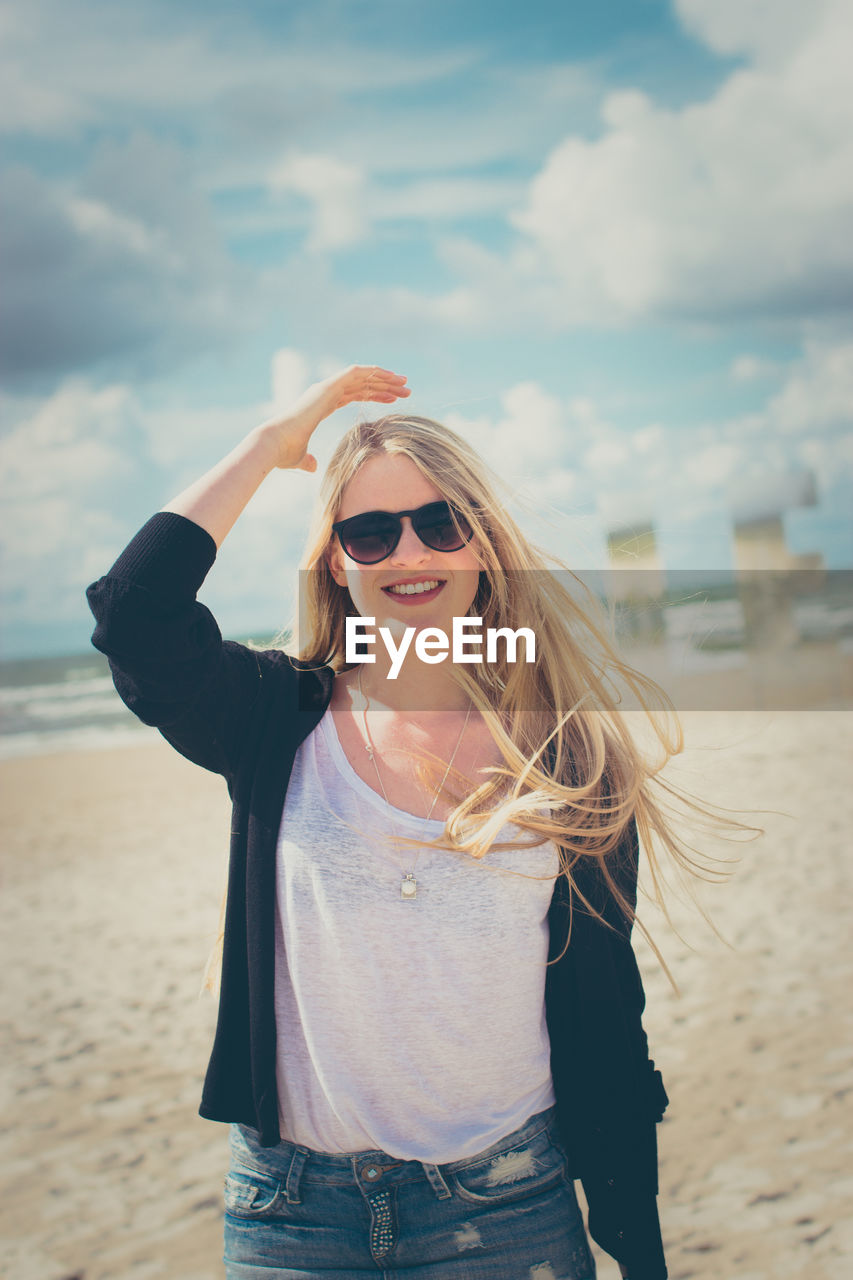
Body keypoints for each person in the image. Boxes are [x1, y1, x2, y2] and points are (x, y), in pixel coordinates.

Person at [87, 364, 693, 1280]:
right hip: (291, 1215)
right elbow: (134, 614)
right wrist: (268, 445)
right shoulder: (269, 717)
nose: (409, 553)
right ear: (334, 560)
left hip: (509, 1209)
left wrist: (635, 1246)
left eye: (440, 522)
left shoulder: (567, 757)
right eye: (369, 532)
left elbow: (609, 1019)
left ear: (483, 544)